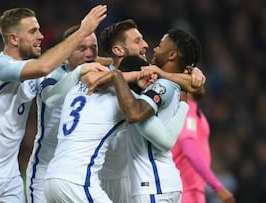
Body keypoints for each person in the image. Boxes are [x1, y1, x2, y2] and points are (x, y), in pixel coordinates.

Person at [0, 5, 108, 203]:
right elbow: (44, 66)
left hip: (10, 176)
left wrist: (119, 59)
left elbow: (73, 59)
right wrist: (83, 30)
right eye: (33, 31)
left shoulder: (32, 74)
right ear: (14, 38)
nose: (40, 36)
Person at [94, 19, 205, 203]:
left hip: (150, 184)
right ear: (118, 50)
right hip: (118, 178)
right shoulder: (98, 74)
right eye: (137, 41)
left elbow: (136, 115)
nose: (148, 46)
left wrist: (190, 72)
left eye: (158, 44)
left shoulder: (159, 83)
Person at [26, 24, 104, 203]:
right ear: (68, 51)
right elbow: (51, 98)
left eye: (93, 48)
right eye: (82, 48)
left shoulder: (100, 77)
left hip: (79, 172)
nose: (89, 54)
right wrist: (79, 72)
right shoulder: (53, 73)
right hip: (45, 170)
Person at [171, 89, 236, 203]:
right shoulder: (186, 108)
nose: (202, 81)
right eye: (196, 76)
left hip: (193, 191)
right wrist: (217, 187)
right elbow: (190, 151)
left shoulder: (193, 109)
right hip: (185, 190)